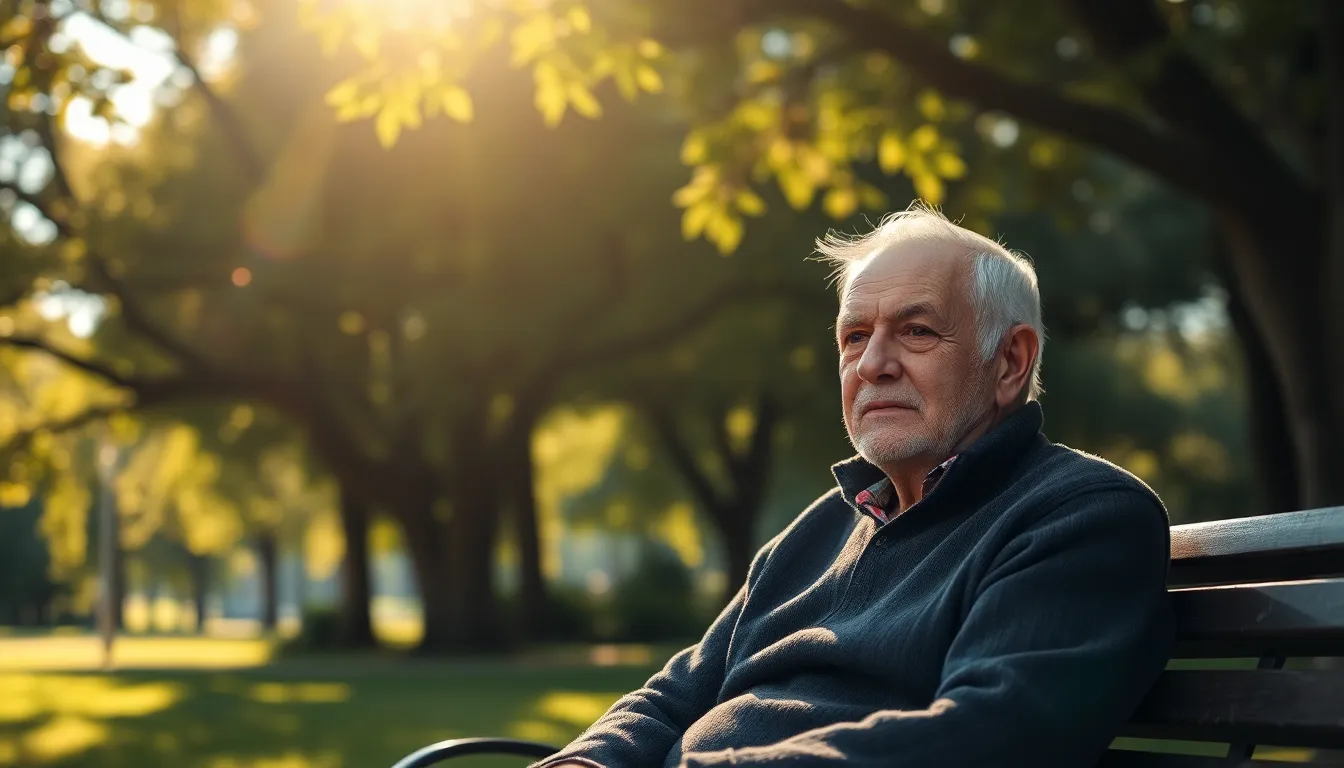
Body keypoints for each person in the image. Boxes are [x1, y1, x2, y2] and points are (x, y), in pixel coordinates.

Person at [534, 204, 1175, 768]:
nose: (872, 365)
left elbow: (989, 738)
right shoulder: (824, 526)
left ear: (1010, 361)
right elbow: (676, 694)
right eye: (855, 337)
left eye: (917, 331)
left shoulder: (1081, 516)